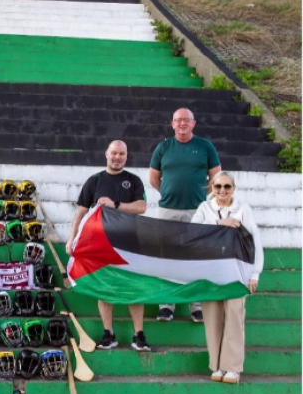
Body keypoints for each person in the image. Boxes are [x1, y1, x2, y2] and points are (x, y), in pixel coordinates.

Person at [66, 140, 149, 351]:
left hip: (129, 245)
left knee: (133, 288)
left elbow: (141, 207)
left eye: (121, 154)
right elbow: (80, 213)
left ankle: (139, 335)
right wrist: (72, 238)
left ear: (126, 156)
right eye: (114, 153)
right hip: (100, 245)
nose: (117, 157)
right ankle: (108, 334)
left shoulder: (133, 180)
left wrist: (116, 205)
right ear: (106, 154)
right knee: (104, 288)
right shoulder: (94, 181)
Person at [149, 108, 221, 322]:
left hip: (197, 210)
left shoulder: (205, 146)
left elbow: (216, 177)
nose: (182, 123)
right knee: (167, 257)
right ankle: (166, 305)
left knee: (195, 258)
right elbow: (154, 178)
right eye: (178, 120)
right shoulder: (163, 148)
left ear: (193, 123)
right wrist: (168, 193)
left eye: (186, 120)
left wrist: (200, 194)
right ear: (172, 124)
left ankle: (196, 306)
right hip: (168, 210)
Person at [190, 171, 263, 384]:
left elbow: (255, 241)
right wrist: (218, 223)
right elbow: (193, 231)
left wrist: (255, 273)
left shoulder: (243, 209)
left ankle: (232, 367)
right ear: (212, 188)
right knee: (212, 319)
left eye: (227, 186)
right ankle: (217, 365)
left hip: (236, 272)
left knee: (234, 317)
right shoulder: (205, 208)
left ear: (234, 188)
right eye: (218, 186)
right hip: (211, 272)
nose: (222, 190)